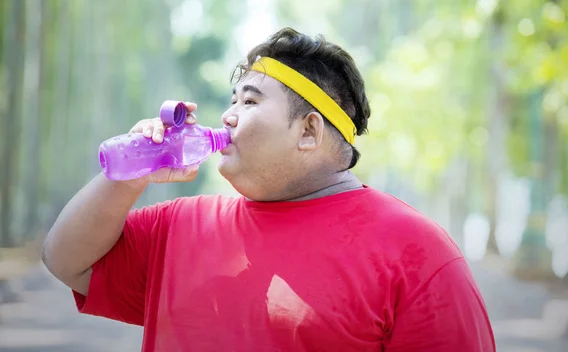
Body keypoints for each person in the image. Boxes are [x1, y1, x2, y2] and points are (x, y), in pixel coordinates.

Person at [42, 28, 496, 351]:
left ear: (308, 131)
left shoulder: (418, 254)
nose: (227, 116)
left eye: (251, 101)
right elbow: (65, 260)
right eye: (232, 100)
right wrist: (129, 175)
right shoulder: (180, 225)